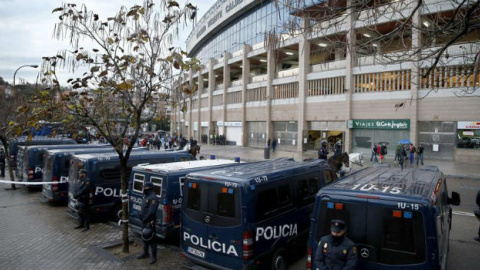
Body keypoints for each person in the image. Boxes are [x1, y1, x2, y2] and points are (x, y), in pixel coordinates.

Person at [137, 182, 159, 264]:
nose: (143, 190)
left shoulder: (153, 198)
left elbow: (151, 212)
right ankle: (145, 253)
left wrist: (145, 219)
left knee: (151, 239)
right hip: (144, 221)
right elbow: (144, 208)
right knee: (144, 237)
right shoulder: (146, 196)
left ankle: (154, 257)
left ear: (149, 189)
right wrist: (141, 215)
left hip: (149, 222)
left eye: (145, 188)